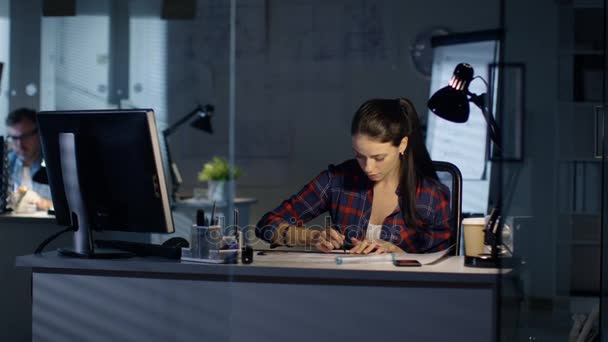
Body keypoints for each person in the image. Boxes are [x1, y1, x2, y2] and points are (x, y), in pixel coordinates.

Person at [256, 98, 451, 254]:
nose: (368, 167)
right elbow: (267, 225)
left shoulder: (431, 196)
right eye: (359, 156)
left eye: (379, 157)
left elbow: (444, 266)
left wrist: (398, 253)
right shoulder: (336, 181)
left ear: (402, 145)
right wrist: (311, 237)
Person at [5, 107, 53, 211]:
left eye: (25, 136)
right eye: (14, 138)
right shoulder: (5, 164)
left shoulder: (55, 164)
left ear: (39, 133)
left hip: (47, 226)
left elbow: (72, 207)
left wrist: (45, 203)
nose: (20, 144)